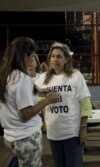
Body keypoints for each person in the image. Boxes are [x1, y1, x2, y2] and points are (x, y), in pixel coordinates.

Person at [0, 36, 60, 167]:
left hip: (11, 136)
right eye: (32, 56)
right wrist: (47, 100)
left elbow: (15, 95)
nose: (34, 59)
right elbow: (26, 113)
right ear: (24, 56)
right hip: (26, 137)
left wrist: (38, 91)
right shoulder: (23, 79)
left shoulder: (8, 75)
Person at [35, 42, 92, 167]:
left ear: (66, 59)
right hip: (53, 132)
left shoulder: (75, 76)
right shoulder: (43, 78)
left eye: (59, 56)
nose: (55, 59)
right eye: (53, 56)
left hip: (72, 132)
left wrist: (83, 128)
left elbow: (85, 103)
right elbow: (36, 101)